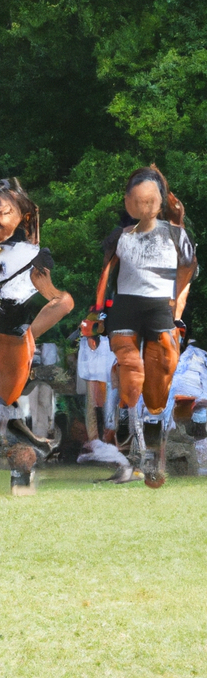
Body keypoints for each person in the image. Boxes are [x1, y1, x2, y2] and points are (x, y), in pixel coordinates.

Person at [80, 165, 196, 488]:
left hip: (161, 310)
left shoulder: (176, 235)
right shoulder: (120, 237)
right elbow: (105, 277)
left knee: (156, 383)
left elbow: (186, 276)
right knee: (131, 371)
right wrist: (95, 313)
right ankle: (138, 452)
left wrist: (176, 312)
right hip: (126, 310)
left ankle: (146, 443)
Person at [0, 177, 74, 488]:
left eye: (4, 212)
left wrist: (29, 336)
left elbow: (62, 302)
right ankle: (29, 447)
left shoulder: (31, 256)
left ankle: (25, 455)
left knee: (6, 404)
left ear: (21, 217)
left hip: (11, 342)